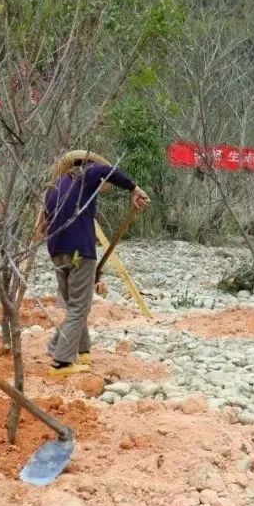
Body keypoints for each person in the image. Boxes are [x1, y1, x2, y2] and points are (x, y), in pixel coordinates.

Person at [45, 151, 150, 376]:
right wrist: (134, 188)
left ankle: (82, 350)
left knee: (74, 303)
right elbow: (106, 171)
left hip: (57, 252)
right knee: (79, 307)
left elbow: (45, 220)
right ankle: (60, 360)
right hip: (79, 252)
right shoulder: (88, 174)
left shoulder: (53, 187)